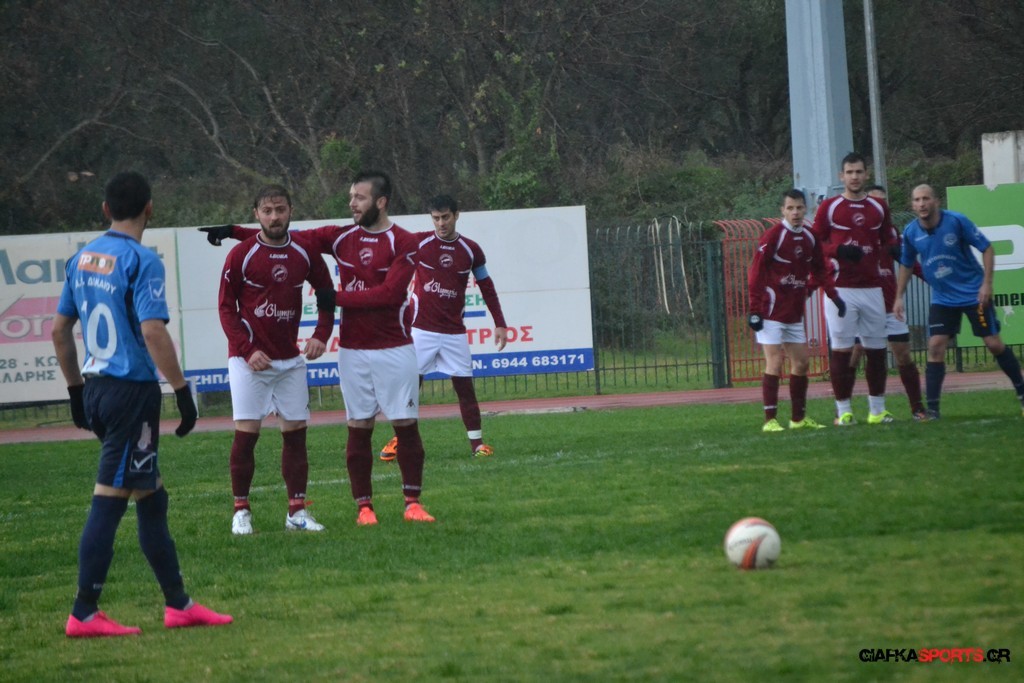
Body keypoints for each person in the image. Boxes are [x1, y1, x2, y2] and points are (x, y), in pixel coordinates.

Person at [52, 171, 232, 638]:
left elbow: (59, 330)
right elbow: (153, 331)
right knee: (109, 499)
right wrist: (183, 391)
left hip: (97, 388)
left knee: (152, 495)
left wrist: (75, 392)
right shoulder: (141, 260)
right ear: (150, 208)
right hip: (130, 394)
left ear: (105, 209)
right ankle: (84, 611)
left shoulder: (81, 258)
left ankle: (179, 604)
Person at [203, 171, 434, 526]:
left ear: (381, 202)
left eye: (359, 198)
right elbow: (280, 236)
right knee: (359, 425)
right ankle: (364, 509)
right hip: (353, 349)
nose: (351, 203)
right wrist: (234, 231)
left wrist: (333, 300)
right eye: (351, 196)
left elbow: (390, 295)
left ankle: (412, 504)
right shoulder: (340, 237)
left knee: (405, 424)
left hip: (395, 347)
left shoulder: (403, 241)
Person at [217, 185, 337, 535]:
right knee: (247, 435)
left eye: (280, 209)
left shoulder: (305, 251)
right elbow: (226, 308)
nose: (274, 217)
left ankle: (296, 512)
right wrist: (246, 349)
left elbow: (327, 295)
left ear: (290, 211)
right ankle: (241, 511)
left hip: (289, 362)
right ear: (256, 213)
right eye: (267, 211)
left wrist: (321, 334)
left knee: (296, 435)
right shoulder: (241, 254)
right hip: (249, 361)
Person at [378, 194, 508, 460]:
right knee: (409, 386)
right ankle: (400, 439)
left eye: (445, 217)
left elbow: (486, 286)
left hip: (454, 333)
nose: (441, 223)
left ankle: (477, 445)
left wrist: (500, 323)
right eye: (436, 218)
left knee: (465, 388)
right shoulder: (418, 242)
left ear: (456, 215)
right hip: (421, 330)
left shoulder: (471, 250)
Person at [894, 184, 1024, 418]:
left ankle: (1022, 392)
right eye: (917, 200)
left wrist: (987, 284)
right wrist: (898, 297)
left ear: (936, 201)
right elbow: (906, 264)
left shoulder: (956, 221)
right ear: (912, 205)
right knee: (935, 346)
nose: (922, 204)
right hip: (943, 299)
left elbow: (987, 248)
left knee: (993, 344)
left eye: (926, 198)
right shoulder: (911, 232)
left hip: (973, 294)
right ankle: (933, 410)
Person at [748, 189, 846, 432]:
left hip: (793, 312)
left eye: (799, 208)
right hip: (771, 310)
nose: (795, 212)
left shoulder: (810, 237)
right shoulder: (774, 236)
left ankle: (798, 419)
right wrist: (755, 309)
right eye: (790, 208)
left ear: (806, 209)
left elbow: (820, 270)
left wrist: (834, 296)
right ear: (782, 210)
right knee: (775, 361)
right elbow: (756, 272)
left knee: (801, 363)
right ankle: (770, 420)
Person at [810, 152, 896, 426]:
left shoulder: (878, 207)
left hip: (872, 288)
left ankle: (877, 410)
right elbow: (815, 243)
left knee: (877, 351)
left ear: (866, 174)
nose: (854, 177)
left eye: (859, 172)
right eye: (849, 172)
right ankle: (844, 411)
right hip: (841, 289)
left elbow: (888, 241)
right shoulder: (830, 207)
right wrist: (838, 250)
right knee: (842, 350)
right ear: (841, 176)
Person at [847, 185, 927, 420]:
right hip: (864, 305)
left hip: (890, 306)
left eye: (883, 202)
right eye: (875, 201)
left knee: (903, 354)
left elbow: (908, 262)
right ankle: (844, 409)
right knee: (856, 353)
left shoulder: (891, 233)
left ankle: (917, 408)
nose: (880, 207)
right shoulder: (854, 233)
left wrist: (933, 279)